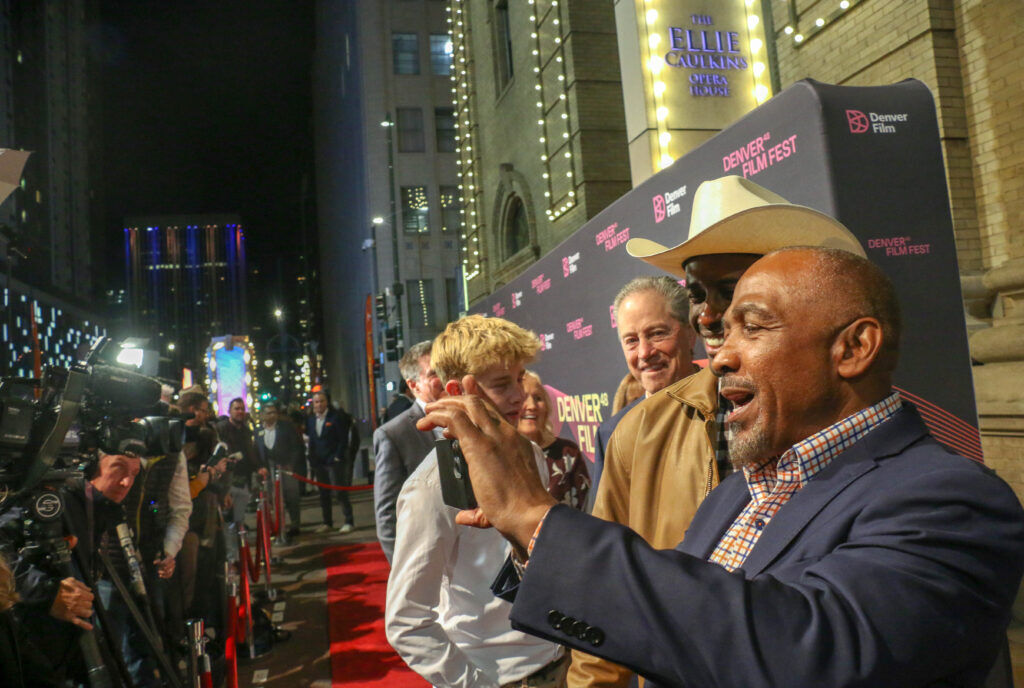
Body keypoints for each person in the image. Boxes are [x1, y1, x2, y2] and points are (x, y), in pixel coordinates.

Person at [420, 247, 1024, 688]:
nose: (720, 355)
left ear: (853, 348)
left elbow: (803, 654)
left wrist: (537, 519)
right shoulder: (740, 489)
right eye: (719, 323)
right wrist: (531, 542)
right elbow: (676, 622)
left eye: (752, 326)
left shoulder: (954, 501)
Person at [574, 175, 868, 686]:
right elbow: (606, 602)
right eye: (697, 293)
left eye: (731, 292)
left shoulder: (873, 448)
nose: (710, 314)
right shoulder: (635, 433)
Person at [385, 314, 566, 688]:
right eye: (502, 384)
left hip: (559, 659)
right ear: (458, 389)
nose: (520, 395)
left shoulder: (530, 452)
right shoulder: (430, 485)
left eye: (519, 378)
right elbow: (406, 621)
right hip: (495, 675)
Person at [1, 449, 142, 684]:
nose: (127, 482)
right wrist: (47, 592)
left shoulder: (88, 503)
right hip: (30, 632)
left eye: (135, 473)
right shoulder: (40, 494)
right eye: (118, 467)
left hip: (65, 637)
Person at [590, 276, 697, 502]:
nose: (644, 353)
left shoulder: (732, 408)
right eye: (631, 340)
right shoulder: (612, 433)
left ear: (691, 333)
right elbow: (607, 528)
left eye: (657, 334)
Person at [373, 340, 443, 562]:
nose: (445, 377)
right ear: (413, 385)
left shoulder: (473, 416)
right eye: (434, 373)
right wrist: (402, 568)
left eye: (447, 368)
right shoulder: (394, 434)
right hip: (427, 555)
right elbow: (387, 514)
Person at [518, 371, 590, 510]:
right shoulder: (498, 455)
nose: (532, 406)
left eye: (538, 398)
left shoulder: (568, 453)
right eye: (523, 398)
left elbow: (586, 511)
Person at [216, 398, 268, 559]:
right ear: (230, 411)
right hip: (227, 480)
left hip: (243, 479)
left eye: (241, 408)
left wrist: (258, 466)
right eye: (236, 408)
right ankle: (232, 558)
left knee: (238, 520)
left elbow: (250, 452)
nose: (239, 411)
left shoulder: (246, 430)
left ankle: (239, 556)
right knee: (229, 521)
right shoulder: (221, 429)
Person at [306, 391, 359, 533]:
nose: (319, 404)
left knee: (340, 492)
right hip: (319, 462)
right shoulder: (311, 420)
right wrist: (312, 459)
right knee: (324, 493)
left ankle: (349, 521)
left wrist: (337, 457)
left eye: (321, 401)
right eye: (316, 402)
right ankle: (327, 522)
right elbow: (312, 440)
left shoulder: (335, 418)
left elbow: (343, 440)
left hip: (334, 462)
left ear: (327, 402)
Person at [256, 402, 305, 537]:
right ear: (262, 415)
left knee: (292, 497)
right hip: (268, 470)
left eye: (274, 412)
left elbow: (297, 446)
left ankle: (295, 525)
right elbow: (256, 450)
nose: (273, 415)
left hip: (286, 467)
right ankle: (278, 526)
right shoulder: (258, 431)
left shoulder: (286, 427)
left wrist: (292, 464)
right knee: (273, 499)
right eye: (269, 413)